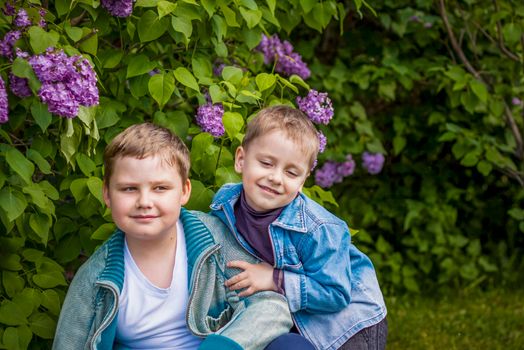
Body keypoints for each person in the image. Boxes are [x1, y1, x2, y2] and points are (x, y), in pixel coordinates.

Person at [52, 123, 293, 350]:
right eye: (129, 189)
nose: (144, 202)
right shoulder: (96, 279)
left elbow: (270, 306)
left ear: (184, 191)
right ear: (107, 194)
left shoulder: (213, 241)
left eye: (160, 188)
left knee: (291, 346)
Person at [210, 105, 388, 350]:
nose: (276, 178)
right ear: (241, 159)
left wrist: (275, 279)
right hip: (290, 318)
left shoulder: (318, 229)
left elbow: (335, 293)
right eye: (266, 163)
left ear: (303, 182)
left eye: (291, 172)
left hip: (347, 324)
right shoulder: (225, 204)